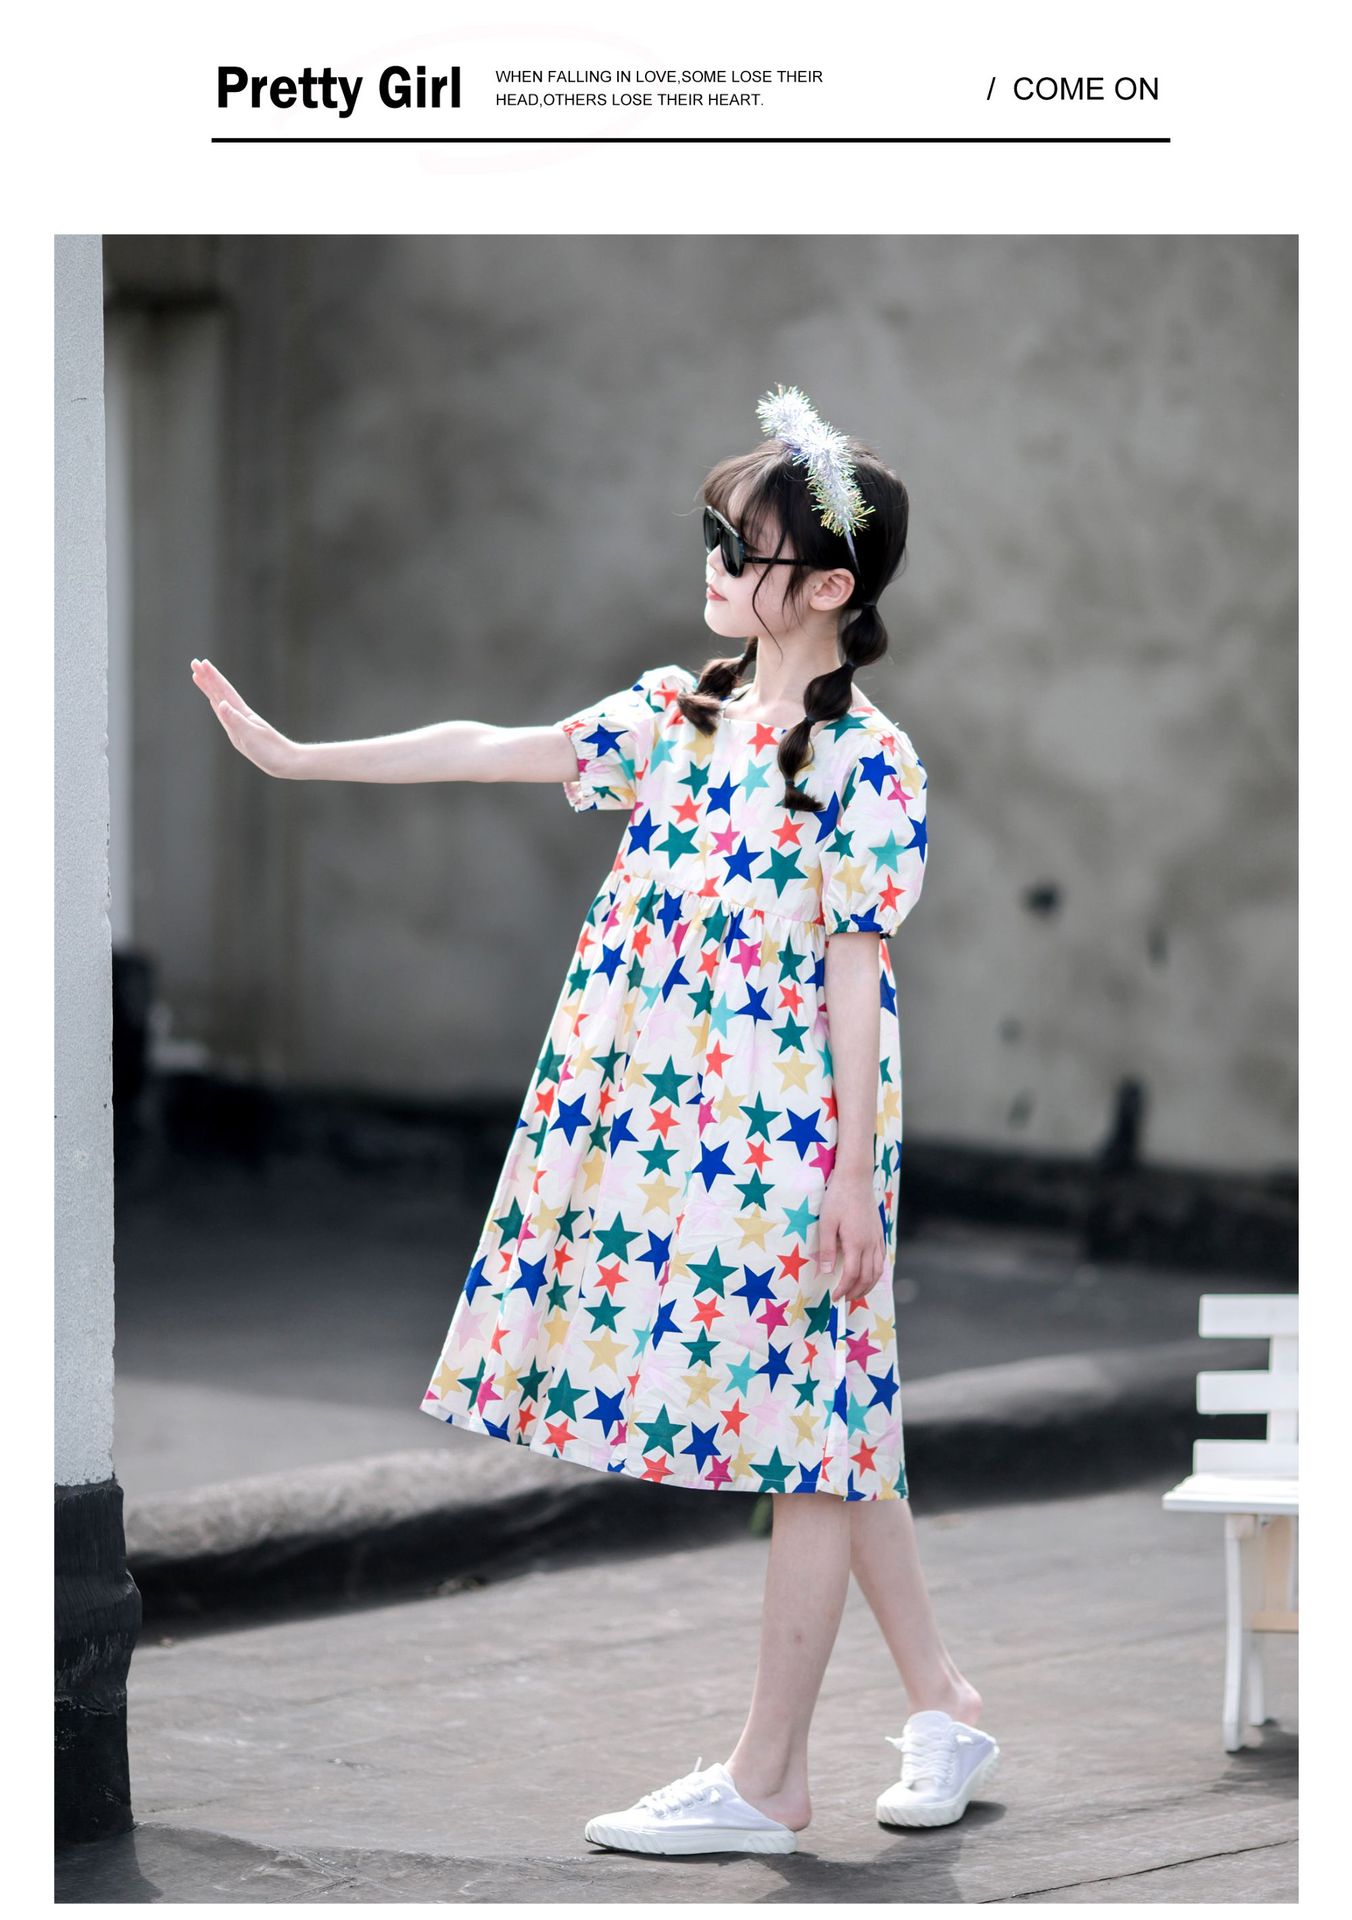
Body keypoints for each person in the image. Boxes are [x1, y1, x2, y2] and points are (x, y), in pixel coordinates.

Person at [190, 385, 999, 1858]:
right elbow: (490, 743)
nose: (714, 563)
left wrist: (849, 1176)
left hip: (789, 1135)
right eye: (715, 536)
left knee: (811, 1427)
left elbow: (856, 973)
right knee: (830, 1414)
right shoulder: (681, 714)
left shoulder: (868, 764)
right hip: (682, 1127)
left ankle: (770, 1780)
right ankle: (942, 1703)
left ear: (827, 588)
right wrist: (300, 759)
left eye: (743, 549)